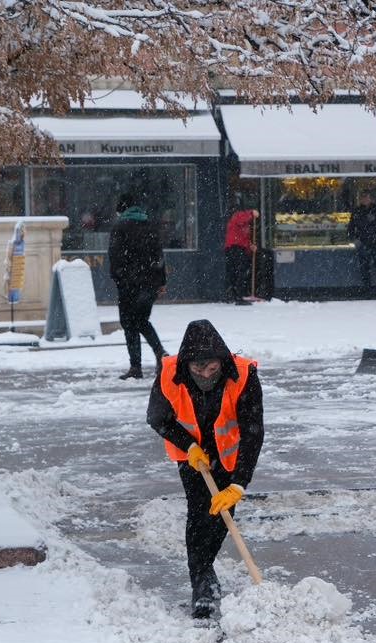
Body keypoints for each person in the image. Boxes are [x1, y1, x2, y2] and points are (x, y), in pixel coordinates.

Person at [146, 319, 264, 620]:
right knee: (199, 513)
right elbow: (158, 419)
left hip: (228, 454)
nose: (206, 375)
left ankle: (205, 565)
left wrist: (239, 483)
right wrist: (189, 446)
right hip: (193, 455)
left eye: (212, 369)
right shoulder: (170, 373)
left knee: (222, 516)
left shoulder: (243, 374)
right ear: (188, 365)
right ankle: (202, 584)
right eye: (199, 370)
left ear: (222, 362)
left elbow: (252, 431)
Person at [109, 192, 167, 380]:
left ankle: (136, 367)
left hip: (129, 285)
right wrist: (161, 281)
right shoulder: (150, 225)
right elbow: (159, 256)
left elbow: (115, 256)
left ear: (122, 210)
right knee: (141, 321)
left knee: (129, 324)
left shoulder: (120, 227)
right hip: (149, 284)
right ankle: (160, 354)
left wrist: (118, 277)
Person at [349, 189, 376, 296]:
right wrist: (355, 240)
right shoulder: (357, 211)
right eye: (362, 198)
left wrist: (375, 220)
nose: (364, 200)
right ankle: (367, 290)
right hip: (363, 243)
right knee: (365, 268)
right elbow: (351, 227)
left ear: (370, 198)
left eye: (366, 197)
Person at [224, 198, 258, 303]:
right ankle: (237, 296)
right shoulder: (237, 217)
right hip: (235, 248)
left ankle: (235, 295)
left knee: (237, 273)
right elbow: (241, 219)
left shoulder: (244, 224)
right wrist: (251, 213)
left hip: (238, 248)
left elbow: (244, 238)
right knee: (239, 273)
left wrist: (250, 246)